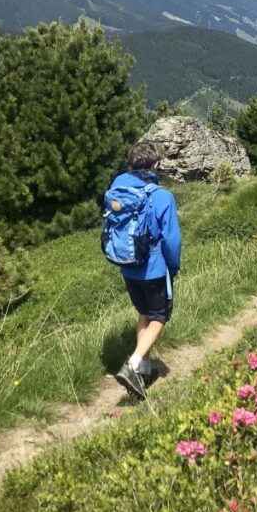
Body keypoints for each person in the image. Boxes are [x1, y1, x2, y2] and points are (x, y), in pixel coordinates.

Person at [111, 141, 181, 398]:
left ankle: (144, 368)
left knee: (144, 313)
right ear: (156, 164)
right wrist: (173, 267)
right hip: (153, 269)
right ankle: (132, 364)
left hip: (128, 267)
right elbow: (171, 240)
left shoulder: (118, 186)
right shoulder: (162, 196)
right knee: (159, 317)